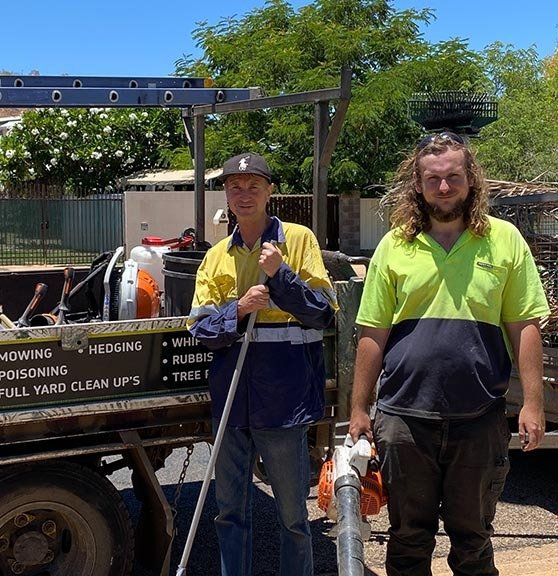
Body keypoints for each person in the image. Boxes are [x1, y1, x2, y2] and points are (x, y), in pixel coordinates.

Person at [349, 132, 549, 576]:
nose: (444, 188)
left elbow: (525, 326)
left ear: (471, 179)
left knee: (473, 540)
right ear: (416, 185)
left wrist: (534, 403)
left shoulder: (505, 240)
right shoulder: (394, 246)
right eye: (433, 179)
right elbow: (372, 333)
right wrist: (359, 407)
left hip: (478, 417)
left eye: (453, 177)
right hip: (403, 419)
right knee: (407, 540)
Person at [187, 152, 337, 576]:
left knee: (293, 518)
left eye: (254, 185)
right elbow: (199, 328)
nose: (244, 194)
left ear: (270, 191)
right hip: (231, 402)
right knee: (229, 513)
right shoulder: (216, 255)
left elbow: (323, 314)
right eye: (235, 186)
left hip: (284, 400)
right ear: (227, 194)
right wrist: (238, 309)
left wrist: (282, 275)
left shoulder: (299, 240)